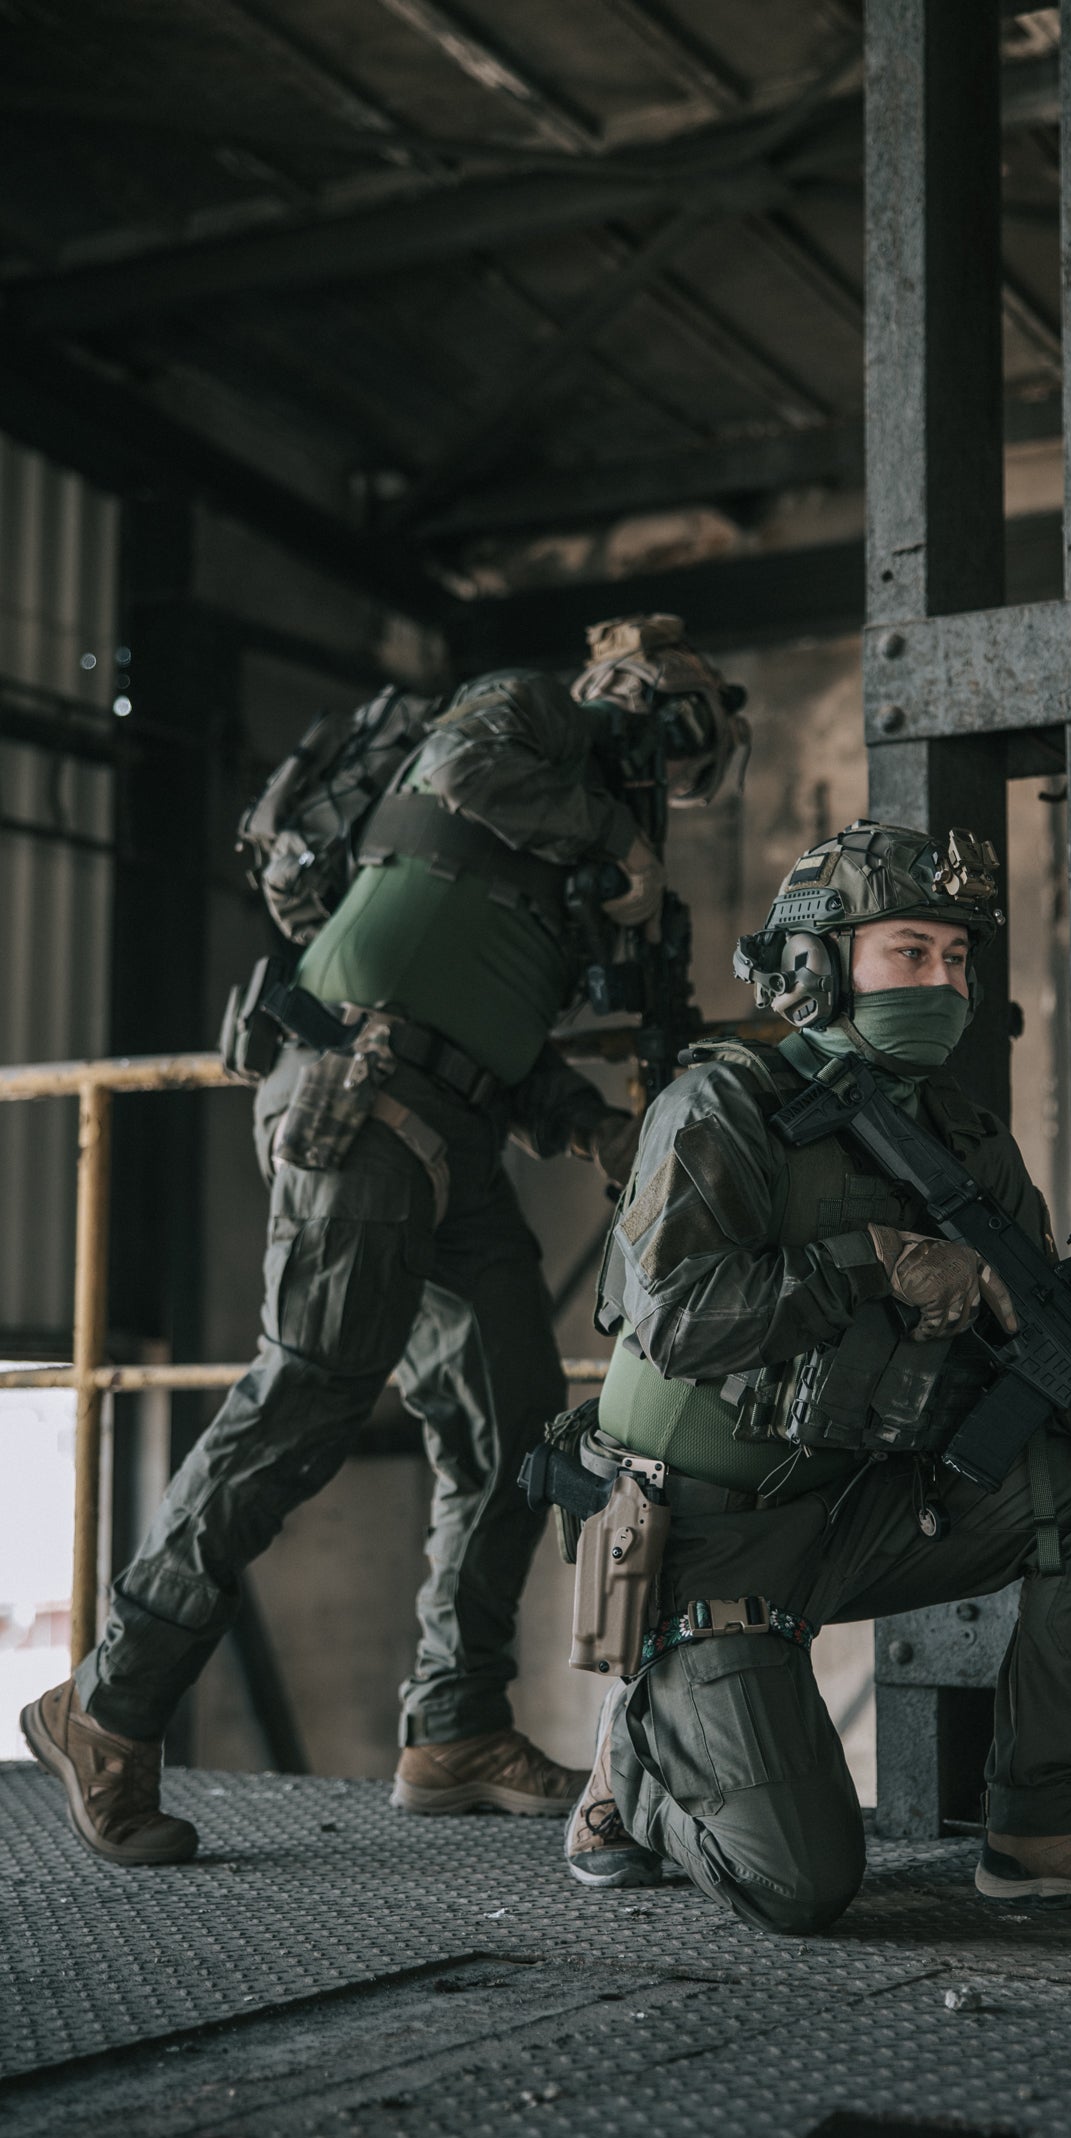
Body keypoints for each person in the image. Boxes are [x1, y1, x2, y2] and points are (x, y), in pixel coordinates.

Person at [23, 616, 750, 1868]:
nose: (665, 774)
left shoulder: (565, 868)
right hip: (358, 1092)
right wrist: (615, 836)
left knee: (516, 1419)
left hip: (449, 1129)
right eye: (676, 736)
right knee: (306, 1391)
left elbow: (500, 1035)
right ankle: (110, 1701)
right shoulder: (524, 714)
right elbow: (458, 775)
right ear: (636, 691)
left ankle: (455, 1727)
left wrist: (585, 1126)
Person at [562, 818, 1071, 1931]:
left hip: (856, 1505)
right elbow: (674, 1316)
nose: (943, 980)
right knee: (800, 1883)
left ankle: (1044, 1828)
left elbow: (1022, 1332)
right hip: (700, 1540)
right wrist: (867, 1262)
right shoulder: (723, 1109)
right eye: (910, 952)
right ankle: (638, 1779)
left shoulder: (966, 1141)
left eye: (958, 958)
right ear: (816, 968)